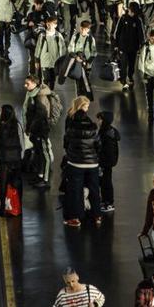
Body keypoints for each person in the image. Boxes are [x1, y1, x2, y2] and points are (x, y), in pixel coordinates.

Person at [62, 96, 102, 227]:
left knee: (76, 190)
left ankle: (76, 218)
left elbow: (66, 143)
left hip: (76, 163)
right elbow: (98, 145)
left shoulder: (71, 126)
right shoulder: (92, 126)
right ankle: (97, 215)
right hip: (92, 163)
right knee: (94, 189)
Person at [24, 74, 60, 187]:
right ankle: (40, 175)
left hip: (41, 130)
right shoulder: (33, 95)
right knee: (39, 153)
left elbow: (40, 116)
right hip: (36, 130)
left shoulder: (40, 97)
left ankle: (45, 179)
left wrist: (30, 128)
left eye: (27, 83)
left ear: (35, 84)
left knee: (45, 154)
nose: (25, 86)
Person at [0, 104, 24, 214]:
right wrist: (21, 157)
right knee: (17, 182)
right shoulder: (18, 125)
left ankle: (2, 208)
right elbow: (22, 142)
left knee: (3, 184)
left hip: (4, 159)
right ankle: (18, 206)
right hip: (16, 159)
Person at [115, 2, 146, 90]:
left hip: (133, 47)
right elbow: (117, 32)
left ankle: (130, 76)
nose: (129, 11)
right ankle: (124, 80)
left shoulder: (138, 20)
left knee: (132, 64)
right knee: (123, 64)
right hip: (123, 46)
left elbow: (141, 34)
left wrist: (141, 45)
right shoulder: (123, 18)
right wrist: (116, 44)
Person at [96, 111, 120, 213]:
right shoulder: (108, 131)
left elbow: (108, 151)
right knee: (105, 182)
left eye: (100, 119)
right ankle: (106, 201)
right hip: (106, 163)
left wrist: (102, 162)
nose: (98, 121)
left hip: (105, 163)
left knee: (106, 183)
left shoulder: (106, 134)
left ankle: (109, 203)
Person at [66, 20, 96, 98]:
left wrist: (88, 61)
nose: (83, 31)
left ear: (88, 30)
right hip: (77, 63)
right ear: (80, 28)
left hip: (87, 65)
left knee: (86, 82)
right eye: (82, 29)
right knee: (78, 82)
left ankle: (86, 98)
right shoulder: (75, 37)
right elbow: (70, 49)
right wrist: (76, 57)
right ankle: (79, 98)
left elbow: (94, 52)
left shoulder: (90, 39)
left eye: (85, 29)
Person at [36, 15, 66, 89]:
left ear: (55, 25)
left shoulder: (58, 36)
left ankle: (51, 93)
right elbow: (38, 48)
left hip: (54, 62)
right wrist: (36, 60)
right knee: (45, 79)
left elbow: (62, 49)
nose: (49, 26)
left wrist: (62, 62)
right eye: (48, 24)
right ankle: (46, 93)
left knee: (52, 79)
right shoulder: (42, 35)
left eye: (51, 24)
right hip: (44, 61)